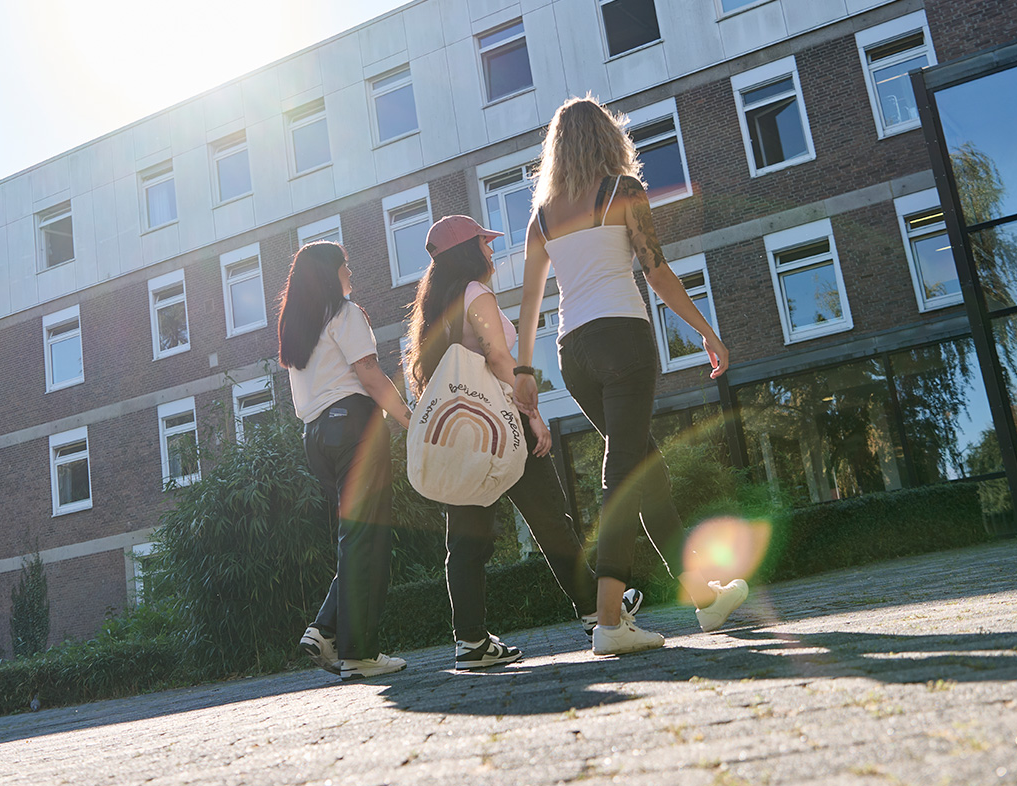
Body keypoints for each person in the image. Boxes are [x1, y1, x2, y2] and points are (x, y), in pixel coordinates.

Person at [516, 96, 751, 656]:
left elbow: (529, 302)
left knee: (646, 473)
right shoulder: (622, 191)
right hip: (623, 339)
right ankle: (609, 622)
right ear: (607, 138)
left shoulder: (542, 217)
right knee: (623, 473)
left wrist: (525, 369)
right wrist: (707, 331)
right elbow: (657, 271)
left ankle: (704, 597)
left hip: (572, 353)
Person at [404, 215, 641, 671]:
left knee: (466, 542)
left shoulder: (435, 310)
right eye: (484, 243)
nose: (492, 251)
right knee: (550, 519)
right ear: (468, 251)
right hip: (502, 423)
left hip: (462, 434)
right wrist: (532, 415)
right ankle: (596, 610)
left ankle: (470, 641)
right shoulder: (476, 294)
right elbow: (497, 356)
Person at [279, 240, 414, 682]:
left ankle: (326, 628)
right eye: (345, 266)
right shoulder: (344, 313)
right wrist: (409, 419)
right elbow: (370, 375)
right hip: (353, 426)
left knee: (355, 537)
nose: (350, 274)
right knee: (367, 540)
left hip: (316, 436)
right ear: (329, 273)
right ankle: (359, 653)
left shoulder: (299, 327)